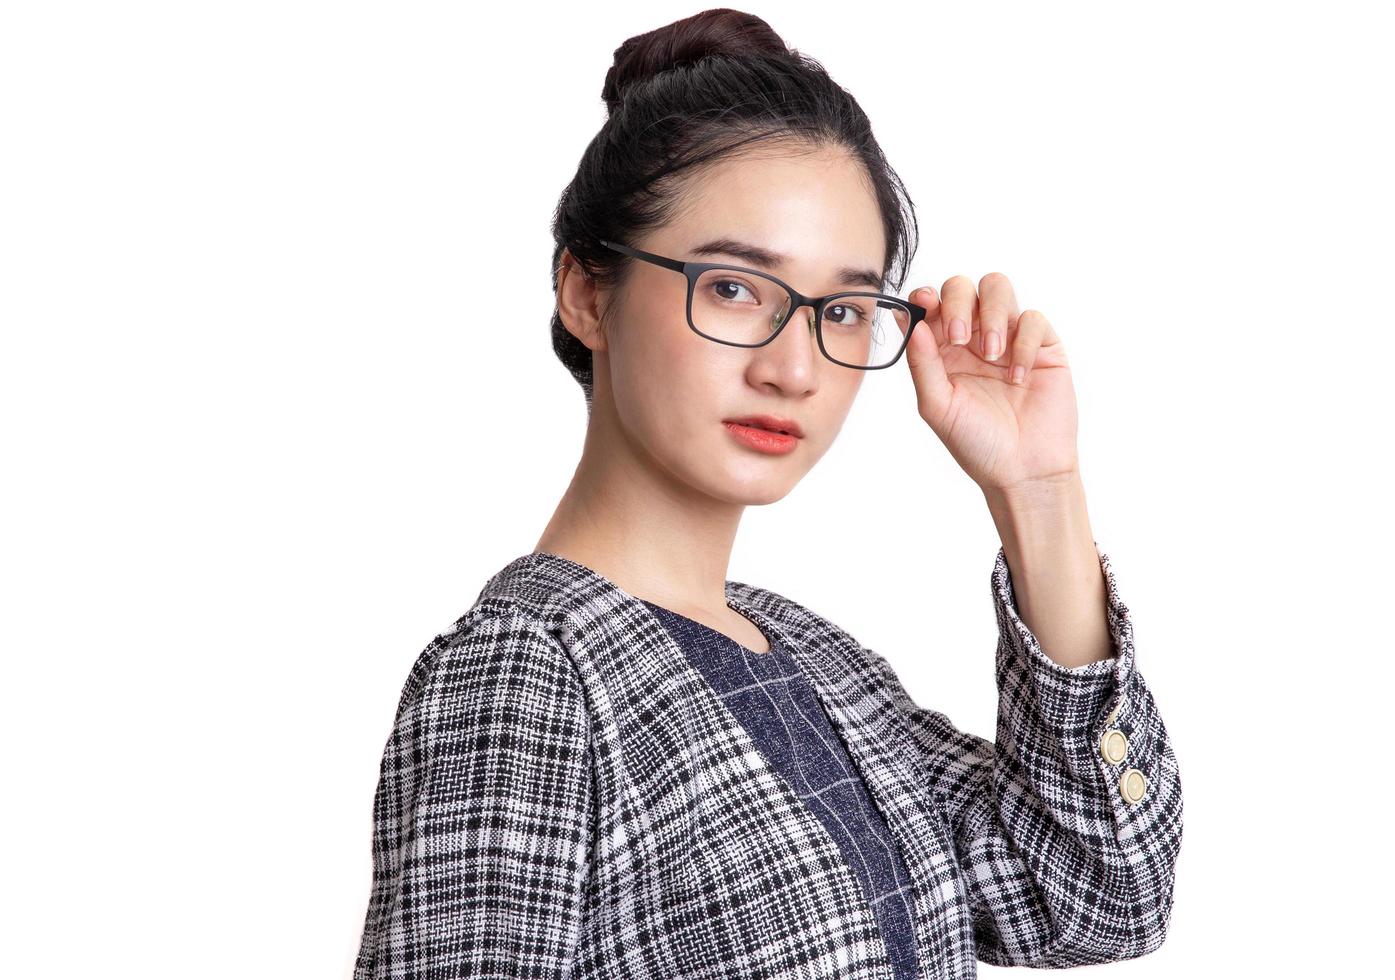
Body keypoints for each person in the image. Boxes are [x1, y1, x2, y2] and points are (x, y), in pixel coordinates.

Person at [352, 8, 1183, 978]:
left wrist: (1041, 492)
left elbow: (1097, 892)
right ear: (586, 290)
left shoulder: (826, 668)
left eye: (838, 308)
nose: (794, 368)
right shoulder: (530, 672)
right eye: (736, 288)